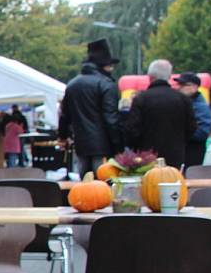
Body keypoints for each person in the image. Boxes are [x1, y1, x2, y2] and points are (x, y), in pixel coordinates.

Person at [59, 39, 123, 176]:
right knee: (104, 186)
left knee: (84, 185)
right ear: (104, 66)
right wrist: (119, 147)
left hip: (81, 145)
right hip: (103, 147)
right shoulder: (106, 84)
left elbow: (65, 115)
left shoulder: (72, 85)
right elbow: (111, 119)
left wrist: (63, 136)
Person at [124, 59, 196, 169]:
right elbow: (191, 127)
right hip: (175, 155)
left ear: (150, 77)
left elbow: (132, 129)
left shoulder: (141, 99)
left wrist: (137, 148)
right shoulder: (183, 99)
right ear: (169, 76)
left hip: (147, 156)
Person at [177, 72, 211, 169]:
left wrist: (179, 133)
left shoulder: (200, 107)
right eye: (179, 84)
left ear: (195, 87)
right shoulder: (185, 103)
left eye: (185, 85)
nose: (180, 87)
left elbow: (202, 133)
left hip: (192, 154)